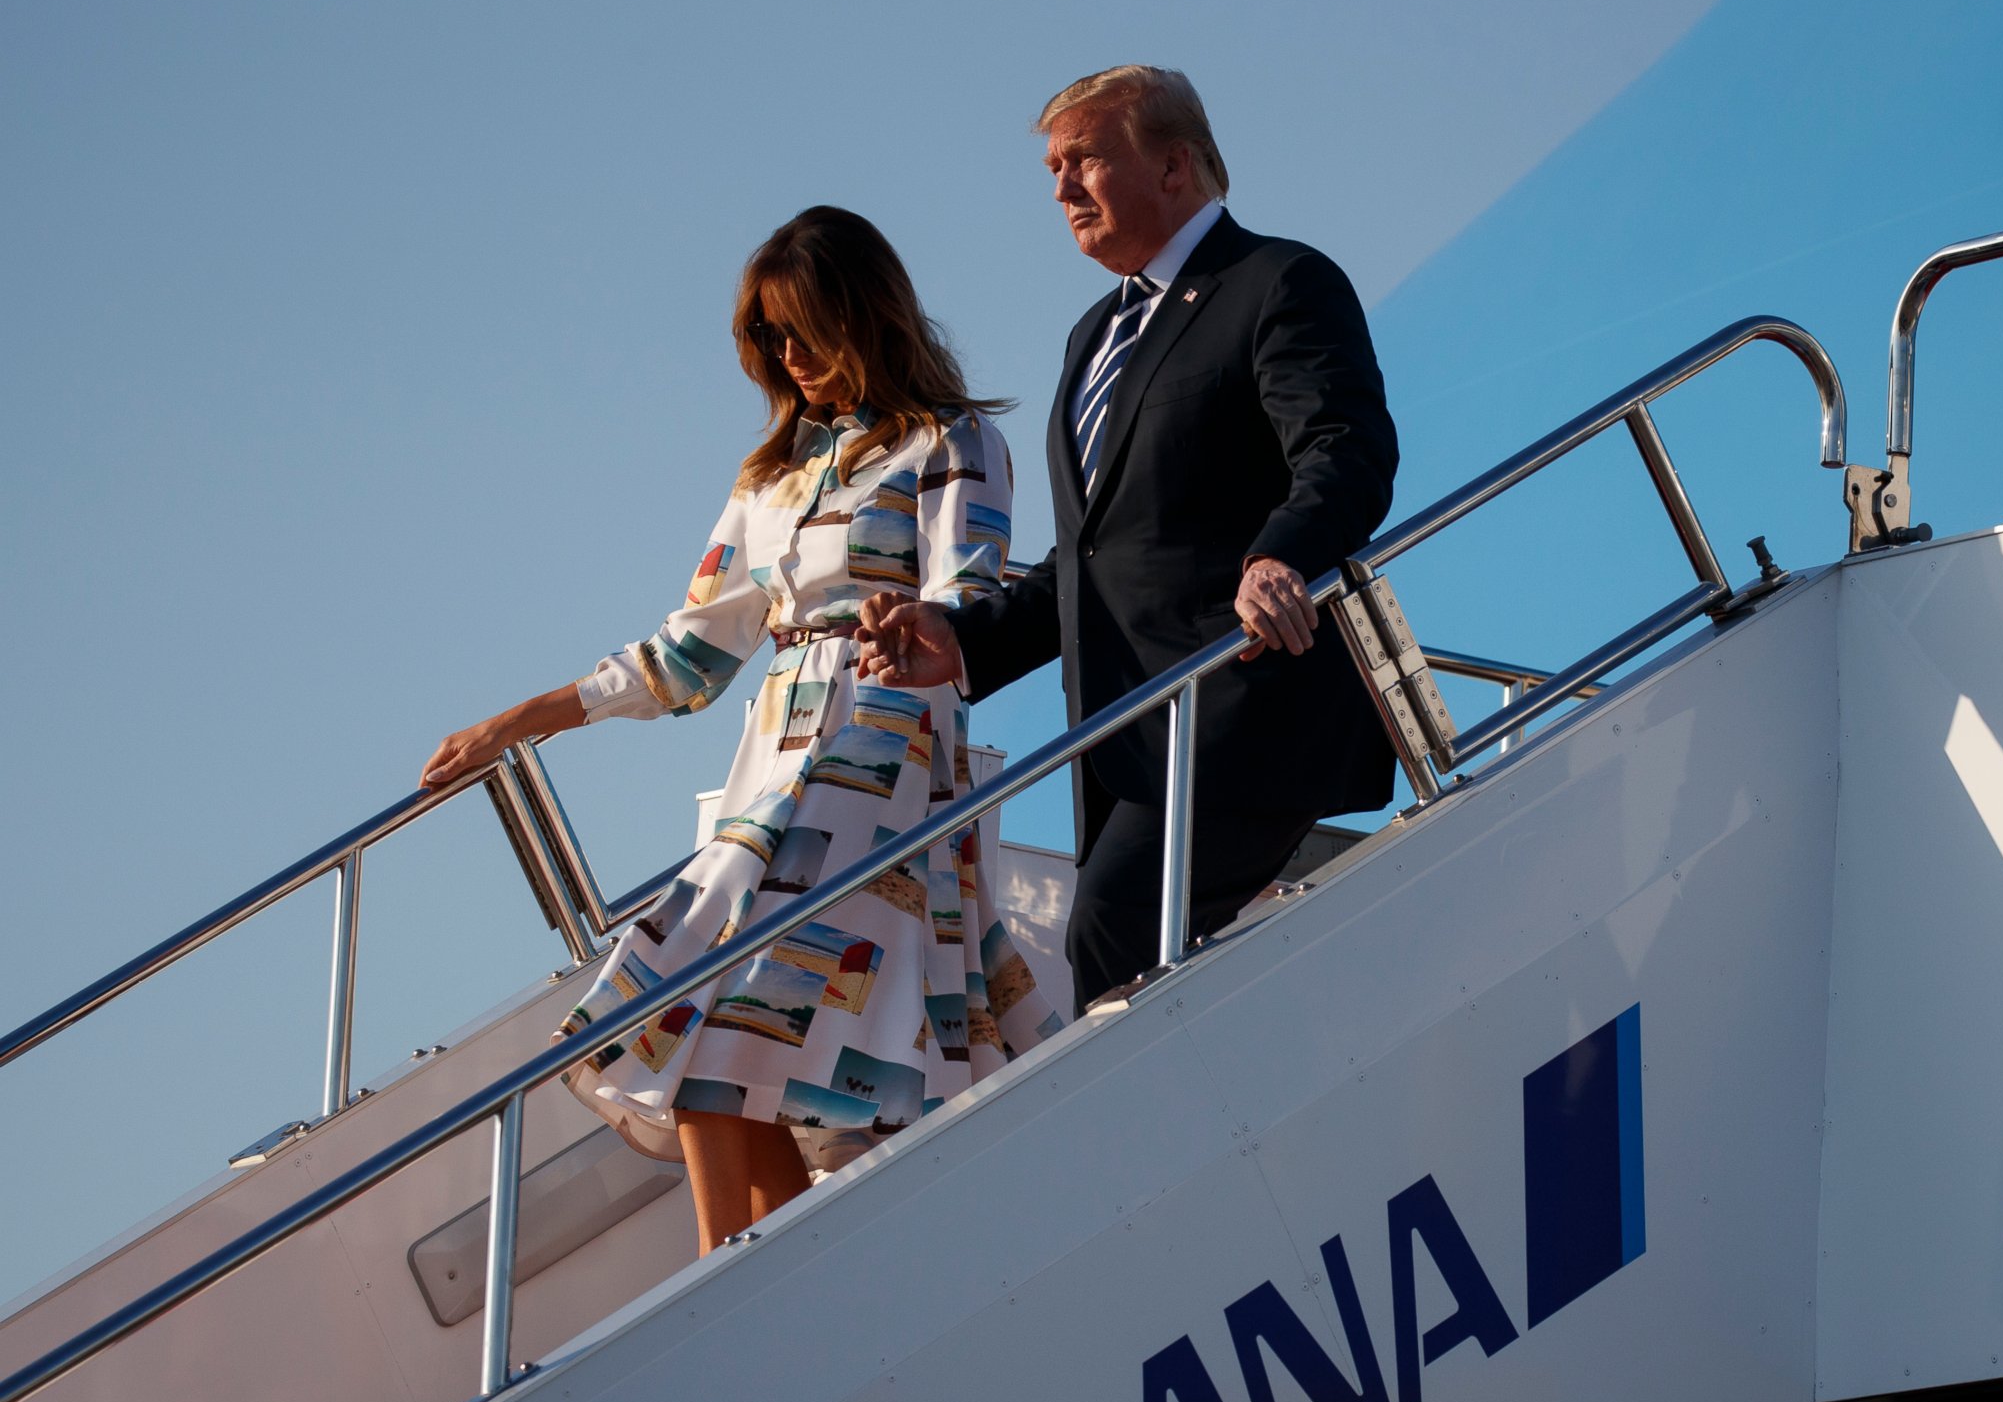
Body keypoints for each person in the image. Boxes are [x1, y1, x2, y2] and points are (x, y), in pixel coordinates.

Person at [421, 207, 1063, 1255]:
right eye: (769, 338)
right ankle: (757, 1277)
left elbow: (971, 590)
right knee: (721, 1060)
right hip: (776, 751)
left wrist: (914, 622)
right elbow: (687, 658)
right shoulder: (769, 481)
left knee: (706, 1016)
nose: (791, 356)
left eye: (807, 327)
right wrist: (519, 720)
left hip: (882, 740)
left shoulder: (951, 439)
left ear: (865, 314)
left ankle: (732, 1282)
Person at [858, 65, 1400, 1007]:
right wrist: (965, 638)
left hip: (1240, 703)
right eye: (1053, 168)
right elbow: (1095, 555)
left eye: (1086, 160)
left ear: (1175, 166)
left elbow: (1344, 448)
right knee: (1131, 960)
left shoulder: (1277, 282)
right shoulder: (1091, 337)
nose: (1062, 187)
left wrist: (1283, 553)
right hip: (1126, 732)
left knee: (1112, 934)